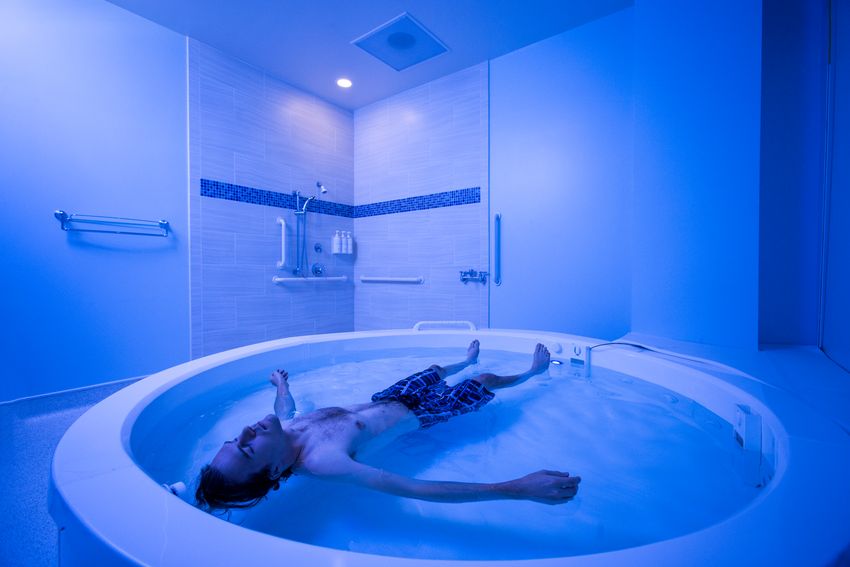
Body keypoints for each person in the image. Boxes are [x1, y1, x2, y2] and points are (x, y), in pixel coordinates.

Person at [196, 340, 581, 510]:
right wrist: (515, 489)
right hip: (423, 414)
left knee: (433, 370)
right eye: (246, 447)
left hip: (388, 398)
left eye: (235, 438)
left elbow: (285, 409)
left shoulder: (287, 429)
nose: (246, 432)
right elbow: (416, 489)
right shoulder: (323, 461)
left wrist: (282, 385)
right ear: (275, 469)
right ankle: (532, 373)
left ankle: (463, 362)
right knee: (486, 381)